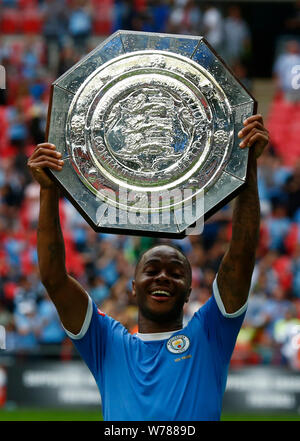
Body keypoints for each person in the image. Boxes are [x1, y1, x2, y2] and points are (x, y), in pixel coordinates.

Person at [27, 114, 269, 421]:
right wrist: (48, 192)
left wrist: (247, 166)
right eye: (152, 269)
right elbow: (54, 279)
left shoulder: (210, 334)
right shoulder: (107, 343)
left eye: (177, 272)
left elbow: (242, 256)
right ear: (133, 286)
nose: (164, 277)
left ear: (189, 292)